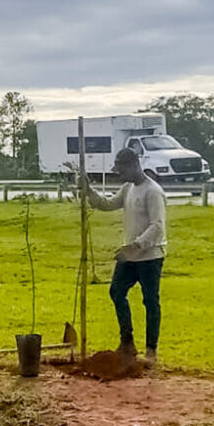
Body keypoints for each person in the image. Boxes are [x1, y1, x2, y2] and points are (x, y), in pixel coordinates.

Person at [83, 148, 167, 362]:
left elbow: (157, 226)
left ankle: (151, 350)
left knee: (150, 301)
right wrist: (89, 191)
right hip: (130, 256)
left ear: (134, 165)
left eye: (122, 169)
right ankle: (127, 342)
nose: (119, 174)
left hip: (150, 256)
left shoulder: (153, 191)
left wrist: (136, 246)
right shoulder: (128, 188)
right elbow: (109, 204)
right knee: (116, 292)